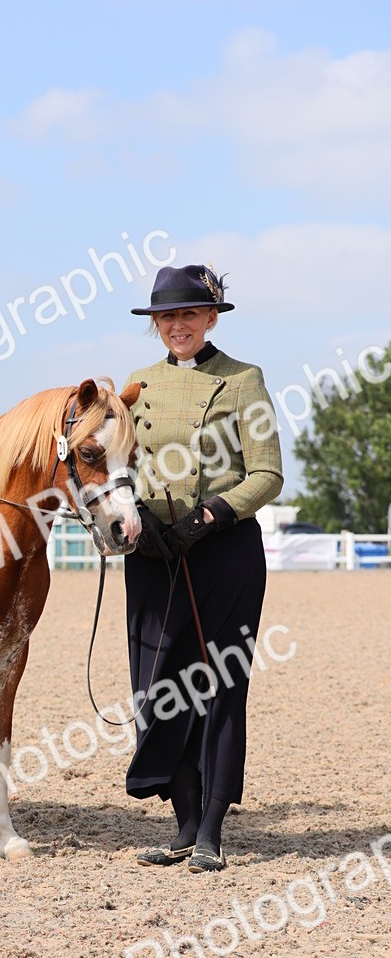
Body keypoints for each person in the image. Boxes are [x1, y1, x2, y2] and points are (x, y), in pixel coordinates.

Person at [124, 264, 283, 872]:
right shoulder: (136, 385)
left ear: (211, 318)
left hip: (224, 552)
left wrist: (210, 516)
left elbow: (267, 473)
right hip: (155, 552)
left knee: (219, 686)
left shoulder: (244, 380)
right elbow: (120, 466)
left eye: (189, 314)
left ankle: (212, 828)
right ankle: (182, 824)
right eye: (167, 317)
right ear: (156, 325)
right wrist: (140, 516)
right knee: (159, 686)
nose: (178, 325)